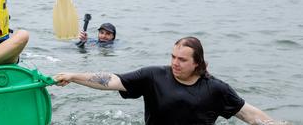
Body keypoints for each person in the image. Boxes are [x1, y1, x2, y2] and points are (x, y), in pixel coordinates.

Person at [54, 36, 278, 125]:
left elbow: (249, 114)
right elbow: (112, 80)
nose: (175, 63)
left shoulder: (216, 89)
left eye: (182, 59)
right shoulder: (153, 76)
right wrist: (74, 76)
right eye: (173, 57)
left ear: (197, 63)